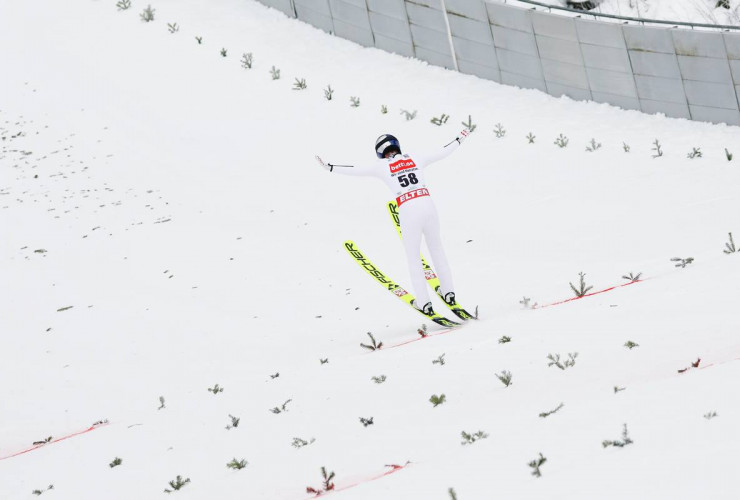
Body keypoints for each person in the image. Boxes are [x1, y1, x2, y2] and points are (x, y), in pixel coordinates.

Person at [316, 129, 469, 316]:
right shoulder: (414, 157)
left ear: (380, 152)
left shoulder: (381, 166)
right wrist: (460, 137)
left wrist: (330, 167)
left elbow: (356, 170)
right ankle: (449, 293)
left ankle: (424, 303)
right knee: (437, 250)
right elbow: (442, 151)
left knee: (414, 257)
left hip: (407, 208)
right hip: (428, 205)